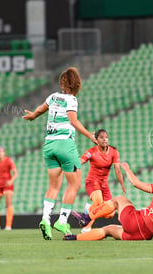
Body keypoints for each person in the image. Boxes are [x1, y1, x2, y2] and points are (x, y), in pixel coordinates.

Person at [22, 67, 97, 240]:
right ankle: (62, 221)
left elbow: (41, 110)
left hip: (49, 145)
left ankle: (45, 220)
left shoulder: (53, 97)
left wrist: (32, 116)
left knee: (54, 186)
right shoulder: (71, 100)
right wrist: (89, 136)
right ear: (77, 83)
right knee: (74, 184)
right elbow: (73, 120)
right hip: (65, 144)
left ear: (62, 82)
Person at [66, 162, 153, 241]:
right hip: (144, 236)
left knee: (120, 199)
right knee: (108, 230)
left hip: (136, 222)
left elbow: (136, 183)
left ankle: (87, 218)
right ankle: (74, 237)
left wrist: (127, 169)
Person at [80, 129, 126, 232]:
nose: (104, 139)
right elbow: (81, 160)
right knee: (98, 201)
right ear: (96, 140)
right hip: (92, 182)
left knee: (110, 213)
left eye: (106, 137)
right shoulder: (91, 152)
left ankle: (89, 210)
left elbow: (117, 169)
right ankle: (87, 227)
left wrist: (122, 184)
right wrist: (73, 165)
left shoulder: (114, 152)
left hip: (104, 185)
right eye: (101, 137)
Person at [0, 147, 18, 230]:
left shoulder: (9, 161)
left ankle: (8, 226)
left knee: (8, 204)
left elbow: (16, 173)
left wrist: (11, 181)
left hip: (7, 185)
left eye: (1, 151)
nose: (0, 153)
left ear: (4, 153)